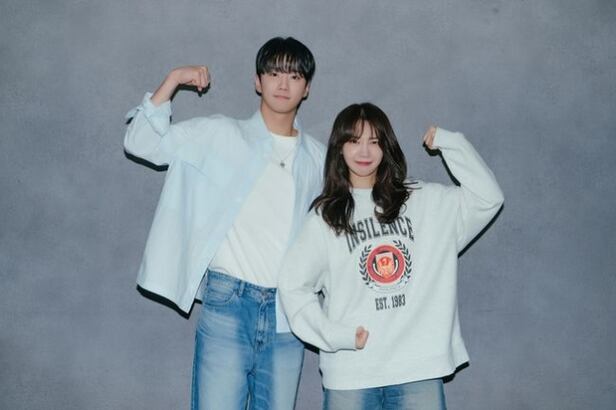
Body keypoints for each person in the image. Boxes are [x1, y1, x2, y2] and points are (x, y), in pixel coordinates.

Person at [123, 37, 325, 410]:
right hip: (229, 302)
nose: (283, 84)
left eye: (295, 76)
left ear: (307, 88)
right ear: (257, 81)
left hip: (288, 312)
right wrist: (173, 79)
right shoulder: (220, 134)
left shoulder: (319, 158)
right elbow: (141, 143)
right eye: (274, 73)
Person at [279, 103, 504, 409]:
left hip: (418, 371)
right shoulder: (326, 217)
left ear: (386, 147)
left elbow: (488, 197)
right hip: (351, 373)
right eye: (354, 141)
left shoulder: (424, 201)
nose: (364, 151)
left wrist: (450, 143)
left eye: (374, 141)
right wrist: (336, 336)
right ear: (339, 148)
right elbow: (293, 286)